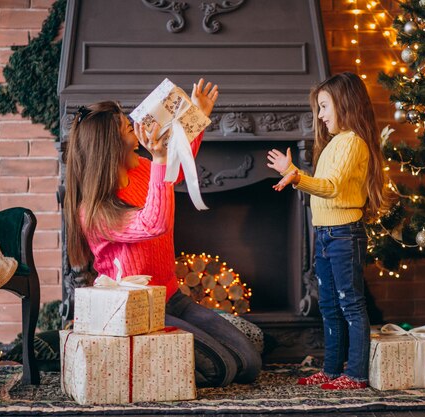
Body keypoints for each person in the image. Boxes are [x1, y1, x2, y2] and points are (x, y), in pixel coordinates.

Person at [64, 79, 261, 388]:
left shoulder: (141, 168)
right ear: (109, 145)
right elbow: (153, 224)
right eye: (125, 127)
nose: (133, 125)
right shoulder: (94, 211)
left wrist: (197, 115)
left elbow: (175, 169)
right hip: (138, 311)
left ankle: (173, 358)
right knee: (223, 368)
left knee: (249, 363)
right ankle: (143, 369)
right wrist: (158, 159)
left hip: (172, 299)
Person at [266, 72, 389, 390]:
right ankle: (333, 369)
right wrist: (294, 179)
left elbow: (331, 187)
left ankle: (357, 374)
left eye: (323, 106)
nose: (319, 116)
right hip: (326, 234)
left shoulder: (352, 144)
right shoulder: (336, 144)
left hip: (345, 235)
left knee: (351, 303)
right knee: (329, 305)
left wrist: (295, 175)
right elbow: (322, 187)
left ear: (344, 104)